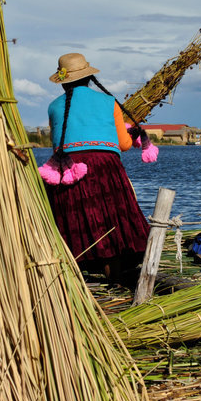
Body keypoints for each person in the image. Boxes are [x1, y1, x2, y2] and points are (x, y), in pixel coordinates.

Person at [39, 53, 150, 285]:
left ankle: (77, 275)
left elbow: (57, 143)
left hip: (69, 170)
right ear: (89, 77)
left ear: (62, 81)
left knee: (79, 218)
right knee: (111, 217)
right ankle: (116, 273)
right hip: (106, 168)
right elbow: (124, 144)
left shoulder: (53, 107)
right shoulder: (109, 102)